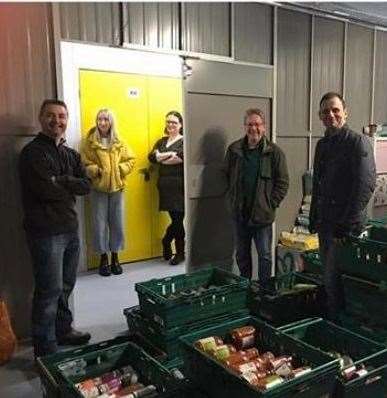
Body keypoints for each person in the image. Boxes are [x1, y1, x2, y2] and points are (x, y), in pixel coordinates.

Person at [19, 99, 91, 357]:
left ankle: (63, 330)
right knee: (49, 291)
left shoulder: (70, 153)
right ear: (41, 118)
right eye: (50, 115)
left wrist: (61, 180)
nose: (57, 121)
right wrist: (65, 184)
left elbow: (86, 186)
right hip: (45, 232)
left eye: (62, 116)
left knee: (66, 285)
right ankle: (45, 347)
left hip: (70, 227)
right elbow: (45, 190)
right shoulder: (32, 153)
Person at [309, 92, 376, 321]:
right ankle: (333, 322)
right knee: (329, 279)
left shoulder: (357, 143)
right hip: (326, 225)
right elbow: (317, 185)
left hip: (346, 229)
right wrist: (313, 217)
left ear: (345, 113)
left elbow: (365, 186)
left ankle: (340, 327)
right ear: (320, 116)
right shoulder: (322, 145)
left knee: (337, 278)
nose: (331, 114)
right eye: (326, 111)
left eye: (335, 110)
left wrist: (345, 226)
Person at [224, 108, 289, 281]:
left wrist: (270, 204)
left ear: (264, 127)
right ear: (245, 127)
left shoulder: (274, 153)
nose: (254, 128)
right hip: (240, 215)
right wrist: (231, 202)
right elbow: (226, 177)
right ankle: (246, 289)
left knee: (265, 256)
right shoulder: (234, 150)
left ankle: (264, 290)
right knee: (242, 256)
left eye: (258, 124)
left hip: (262, 217)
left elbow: (283, 183)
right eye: (250, 124)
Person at [82, 109, 135, 277]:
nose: (102, 122)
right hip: (98, 189)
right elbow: (83, 162)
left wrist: (120, 169)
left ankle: (115, 257)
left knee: (117, 223)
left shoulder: (119, 141)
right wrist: (95, 171)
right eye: (99, 119)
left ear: (111, 121)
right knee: (99, 225)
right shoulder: (89, 142)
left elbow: (131, 159)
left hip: (117, 189)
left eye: (106, 119)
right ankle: (103, 258)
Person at [148, 111, 185, 265]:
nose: (170, 125)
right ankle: (175, 248)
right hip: (165, 185)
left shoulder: (184, 141)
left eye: (174, 122)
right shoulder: (161, 141)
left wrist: (161, 157)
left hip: (180, 186)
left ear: (180, 125)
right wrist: (168, 155)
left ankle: (172, 245)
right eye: (168, 122)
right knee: (176, 219)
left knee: (178, 219)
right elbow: (151, 157)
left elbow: (181, 157)